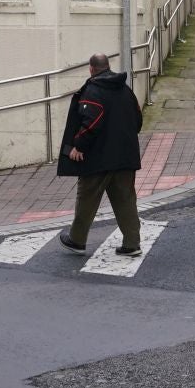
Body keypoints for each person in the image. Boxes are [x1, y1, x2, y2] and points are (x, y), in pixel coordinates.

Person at [56, 53, 144, 257]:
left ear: (91, 69)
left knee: (86, 199)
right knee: (126, 200)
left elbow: (91, 123)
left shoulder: (93, 91)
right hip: (125, 157)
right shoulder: (126, 90)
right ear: (108, 66)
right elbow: (137, 120)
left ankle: (77, 240)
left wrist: (78, 146)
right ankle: (132, 243)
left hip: (98, 159)